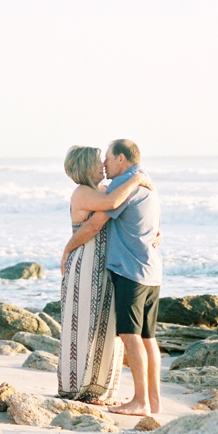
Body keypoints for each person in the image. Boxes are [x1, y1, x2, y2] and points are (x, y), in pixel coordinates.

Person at [63, 138, 163, 418]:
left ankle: (141, 401)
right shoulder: (146, 184)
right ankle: (154, 402)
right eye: (100, 161)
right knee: (147, 337)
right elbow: (152, 223)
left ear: (121, 158)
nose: (104, 164)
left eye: (107, 158)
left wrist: (67, 249)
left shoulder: (126, 184)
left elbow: (96, 223)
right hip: (151, 270)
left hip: (131, 270)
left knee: (130, 335)